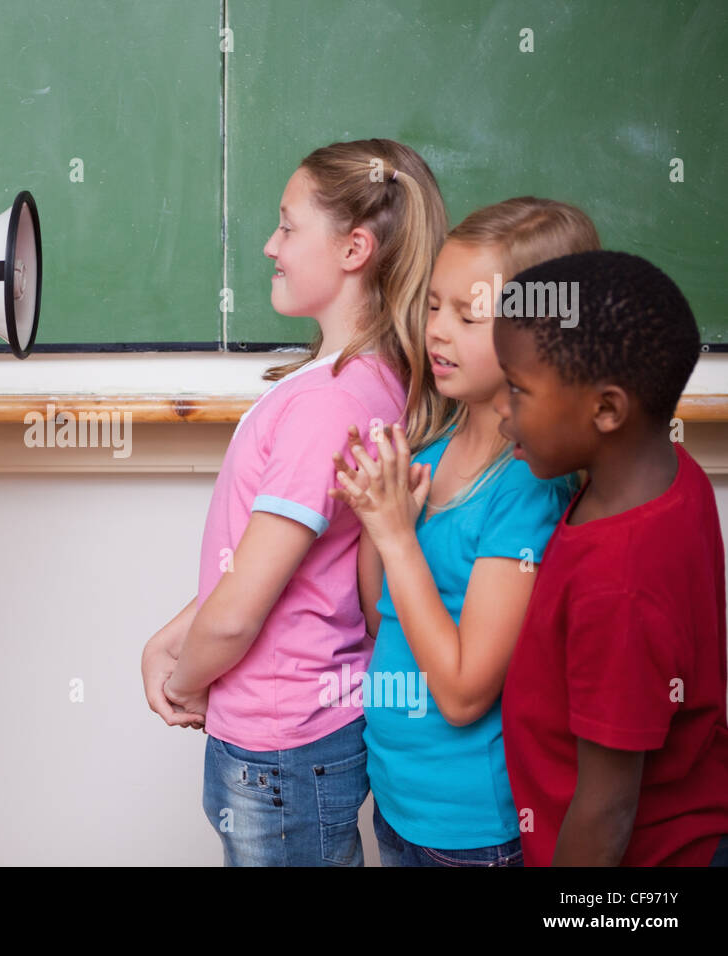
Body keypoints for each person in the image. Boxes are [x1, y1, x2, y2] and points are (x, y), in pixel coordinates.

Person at [141, 138, 446, 866]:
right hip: (302, 731)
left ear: (354, 249)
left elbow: (244, 607)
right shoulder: (368, 380)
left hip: (277, 743)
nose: (270, 244)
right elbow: (274, 562)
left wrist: (186, 681)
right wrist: (173, 634)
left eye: (287, 225)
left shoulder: (328, 404)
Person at [331, 198, 597, 866]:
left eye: (468, 315)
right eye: (434, 306)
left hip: (475, 830)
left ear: (544, 336)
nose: (438, 332)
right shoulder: (431, 453)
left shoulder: (527, 489)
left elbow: (461, 692)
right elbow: (378, 615)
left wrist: (397, 536)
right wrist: (378, 515)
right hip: (397, 806)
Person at [495, 250, 728, 866]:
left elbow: (606, 810)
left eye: (517, 391)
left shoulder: (619, 585)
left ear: (606, 410)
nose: (502, 415)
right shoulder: (672, 475)